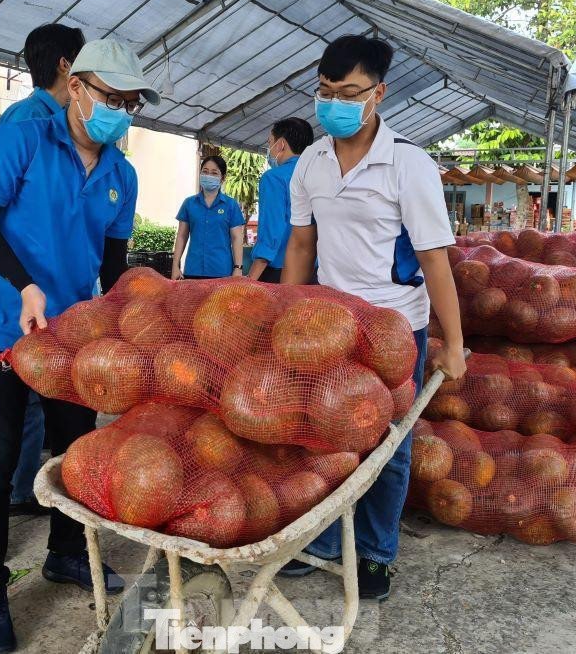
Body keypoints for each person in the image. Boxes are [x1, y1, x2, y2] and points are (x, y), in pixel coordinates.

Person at [0, 38, 160, 653]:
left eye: (130, 103)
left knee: (80, 455)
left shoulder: (121, 175)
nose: (119, 112)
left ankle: (67, 553)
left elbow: (114, 266)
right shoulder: (25, 136)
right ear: (75, 88)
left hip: (75, 344)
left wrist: (122, 321)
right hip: (2, 327)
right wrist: (24, 286)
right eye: (110, 97)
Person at [278, 35, 467, 601]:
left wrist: (451, 341)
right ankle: (329, 542)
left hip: (393, 327)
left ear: (378, 94)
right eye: (325, 91)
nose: (334, 102)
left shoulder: (408, 164)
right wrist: (286, 316)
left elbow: (435, 258)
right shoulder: (309, 160)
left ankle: (378, 552)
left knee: (389, 444)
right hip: (331, 326)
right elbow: (299, 247)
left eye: (348, 92)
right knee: (326, 435)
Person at [0, 24, 86, 518]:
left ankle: (38, 498)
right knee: (26, 404)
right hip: (26, 301)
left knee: (57, 408)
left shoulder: (76, 131)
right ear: (67, 69)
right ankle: (20, 490)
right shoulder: (26, 125)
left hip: (65, 301)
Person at [247, 117, 314, 284]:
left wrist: (250, 280)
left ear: (281, 144)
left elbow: (271, 232)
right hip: (315, 271)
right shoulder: (319, 175)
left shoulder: (274, 178)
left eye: (270, 143)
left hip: (280, 272)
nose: (269, 149)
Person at [171, 155, 246, 280]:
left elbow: (236, 237)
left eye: (214, 173)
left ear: (222, 178)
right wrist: (175, 265)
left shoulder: (231, 205)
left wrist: (238, 268)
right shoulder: (189, 203)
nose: (208, 176)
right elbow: (182, 236)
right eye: (205, 171)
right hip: (193, 270)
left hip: (222, 271)